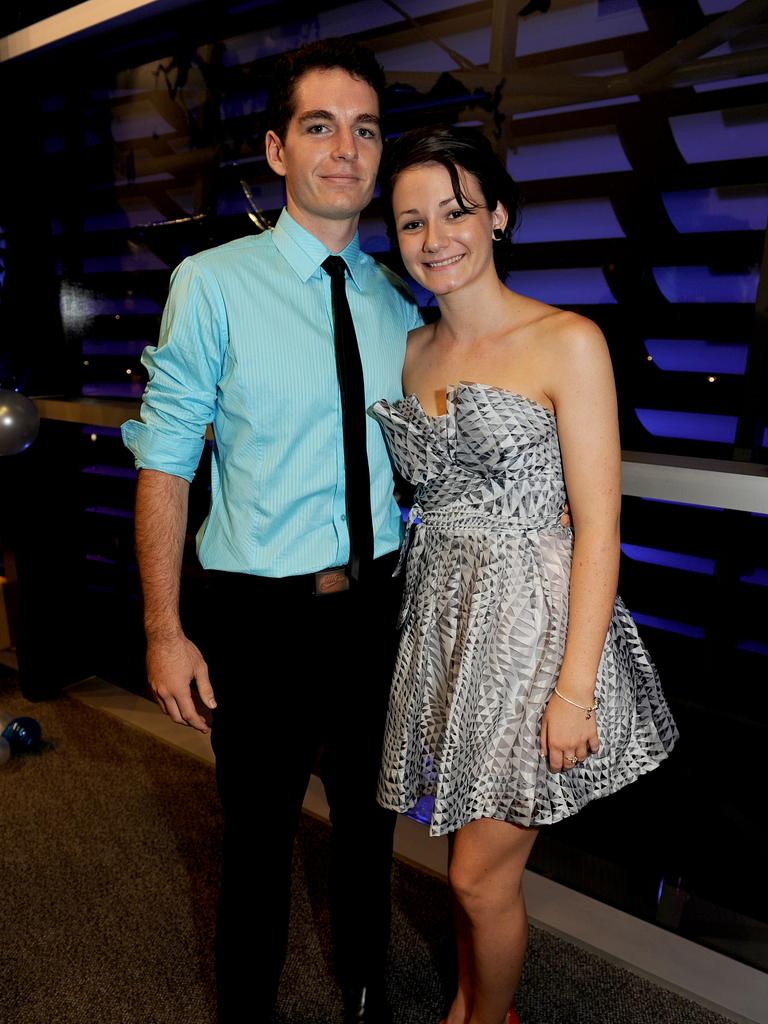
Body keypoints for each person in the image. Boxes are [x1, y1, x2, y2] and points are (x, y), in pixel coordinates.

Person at [121, 39, 421, 1024]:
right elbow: (166, 460)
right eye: (320, 126)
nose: (346, 147)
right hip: (258, 623)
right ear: (277, 150)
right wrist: (165, 629)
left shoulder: (396, 304)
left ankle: (370, 1005)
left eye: (365, 128)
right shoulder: (212, 283)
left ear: (379, 154)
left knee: (372, 843)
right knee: (255, 852)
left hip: (377, 613)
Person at [371, 125, 679, 1024]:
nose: (436, 238)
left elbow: (600, 524)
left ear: (499, 215)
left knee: (475, 876)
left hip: (536, 632)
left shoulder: (567, 341)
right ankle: (476, 1002)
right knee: (470, 865)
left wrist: (574, 691)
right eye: (413, 222)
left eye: (457, 211)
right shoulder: (415, 352)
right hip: (446, 622)